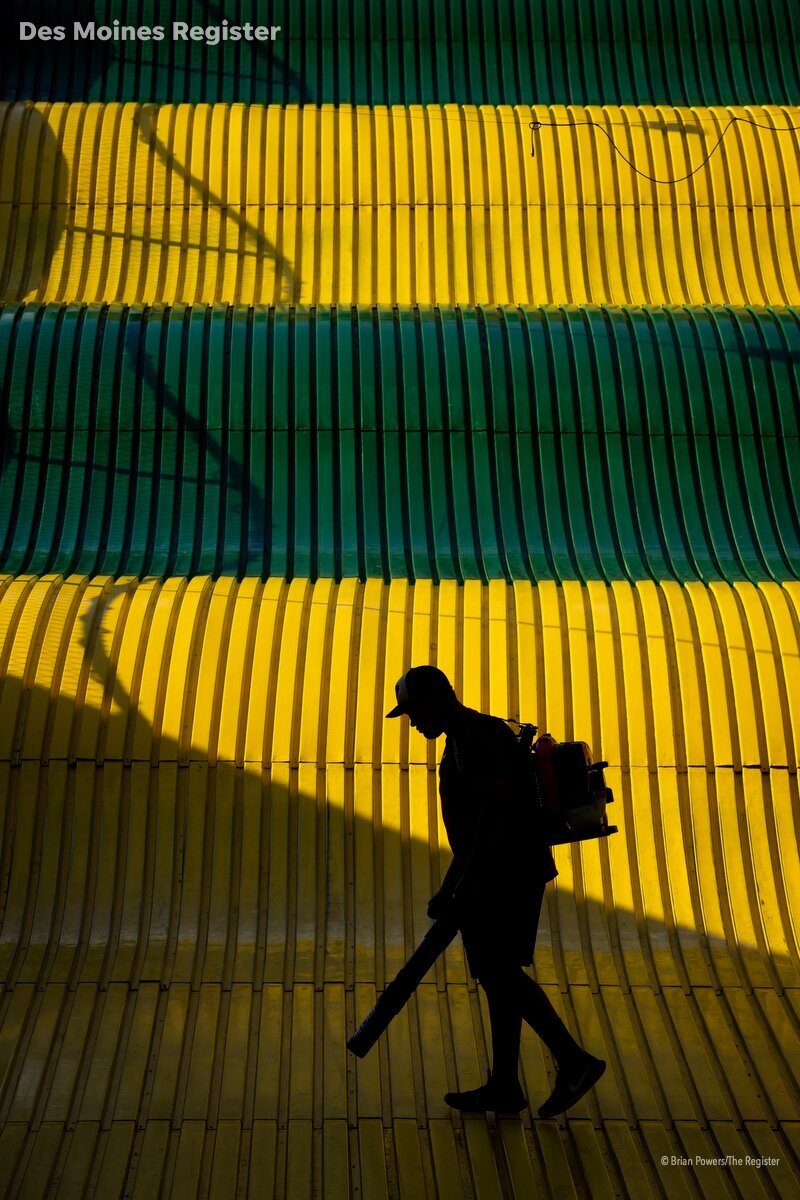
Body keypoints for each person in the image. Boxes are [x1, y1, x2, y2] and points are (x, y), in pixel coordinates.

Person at [387, 665, 606, 1116]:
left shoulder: (477, 738)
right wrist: (450, 887)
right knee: (497, 976)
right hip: (496, 873)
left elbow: (493, 817)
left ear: (439, 698)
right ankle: (505, 1085)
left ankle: (574, 1061)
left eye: (414, 712)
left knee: (500, 974)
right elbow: (473, 831)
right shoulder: (466, 737)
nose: (413, 723)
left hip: (507, 876)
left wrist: (464, 887)